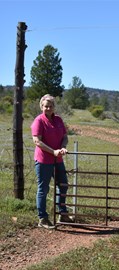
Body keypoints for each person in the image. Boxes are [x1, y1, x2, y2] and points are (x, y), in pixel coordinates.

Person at [31, 94, 73, 229]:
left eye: (50, 106)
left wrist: (63, 147)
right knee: (43, 189)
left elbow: (65, 137)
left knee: (63, 185)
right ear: (41, 107)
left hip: (58, 159)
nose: (48, 108)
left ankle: (62, 213)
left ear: (54, 107)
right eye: (45, 106)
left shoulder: (58, 120)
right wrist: (53, 151)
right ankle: (42, 218)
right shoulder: (39, 121)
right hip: (44, 160)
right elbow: (37, 141)